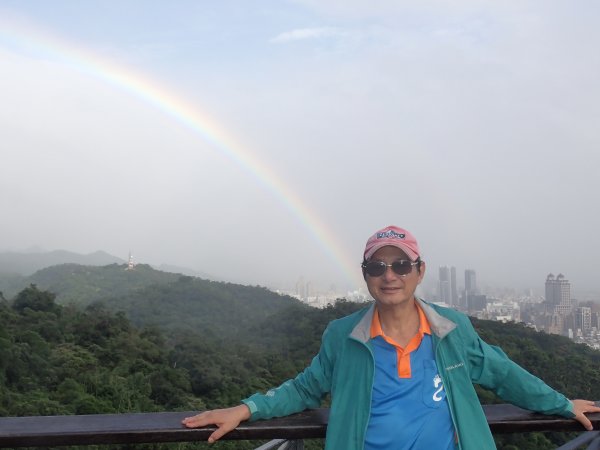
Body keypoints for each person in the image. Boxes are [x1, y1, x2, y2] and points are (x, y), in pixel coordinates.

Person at [182, 225, 600, 449]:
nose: (389, 275)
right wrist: (245, 409)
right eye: (377, 267)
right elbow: (305, 388)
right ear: (365, 276)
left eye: (401, 265)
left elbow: (504, 374)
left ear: (420, 271)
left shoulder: (452, 331)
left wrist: (561, 404)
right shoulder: (344, 337)